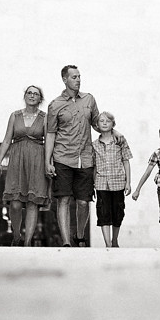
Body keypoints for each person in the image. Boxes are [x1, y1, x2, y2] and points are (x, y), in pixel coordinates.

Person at [45, 65, 111, 247]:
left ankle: (79, 235)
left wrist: (115, 132)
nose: (78, 79)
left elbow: (99, 124)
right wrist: (47, 161)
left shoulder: (89, 99)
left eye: (79, 76)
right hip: (62, 158)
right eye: (74, 77)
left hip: (86, 158)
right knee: (63, 199)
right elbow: (50, 134)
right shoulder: (55, 105)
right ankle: (66, 241)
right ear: (64, 79)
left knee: (83, 202)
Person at [0, 86, 49, 246]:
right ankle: (16, 236)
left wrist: (48, 163)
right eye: (29, 93)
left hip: (37, 161)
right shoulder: (15, 115)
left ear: (40, 99)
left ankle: (27, 242)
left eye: (36, 94)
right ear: (25, 96)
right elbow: (6, 140)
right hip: (17, 161)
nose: (32, 96)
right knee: (16, 203)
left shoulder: (45, 118)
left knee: (33, 202)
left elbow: (49, 142)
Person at [92, 111, 132, 248]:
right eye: (101, 121)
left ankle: (114, 240)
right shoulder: (94, 145)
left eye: (107, 121)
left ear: (113, 124)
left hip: (118, 182)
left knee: (118, 213)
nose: (104, 123)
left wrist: (128, 182)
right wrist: (92, 184)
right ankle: (107, 244)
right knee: (103, 213)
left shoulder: (120, 141)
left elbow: (126, 161)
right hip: (101, 183)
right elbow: (94, 166)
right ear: (97, 125)